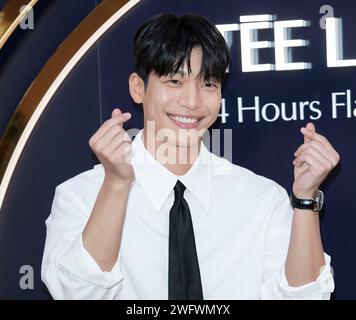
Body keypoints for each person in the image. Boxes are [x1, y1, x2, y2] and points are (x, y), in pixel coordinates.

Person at [41, 13, 339, 300]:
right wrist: (116, 185)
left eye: (208, 84)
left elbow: (305, 297)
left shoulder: (262, 199)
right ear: (138, 87)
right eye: (175, 81)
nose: (192, 101)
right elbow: (76, 294)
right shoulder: (80, 196)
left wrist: (304, 199)